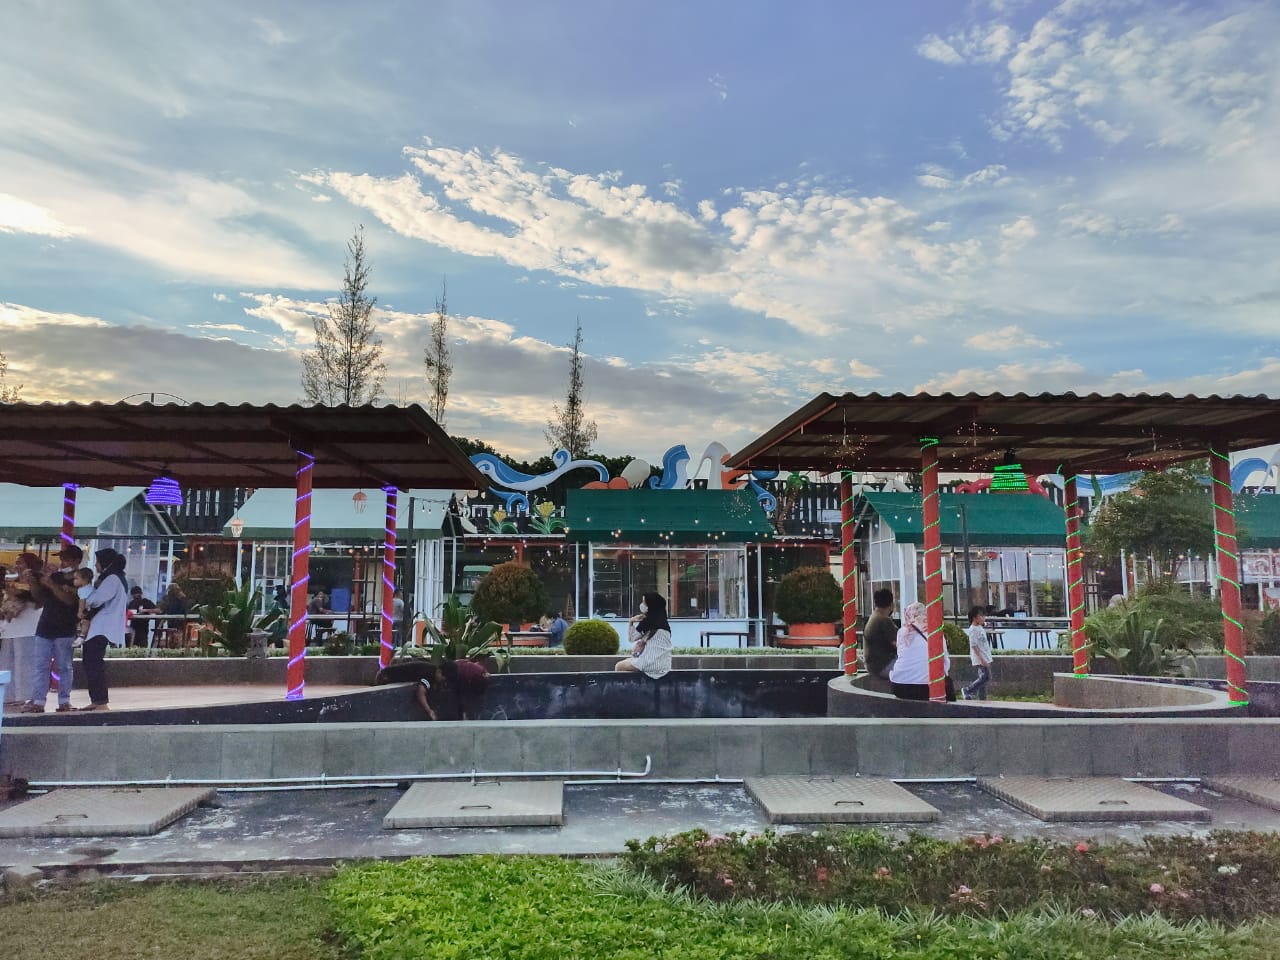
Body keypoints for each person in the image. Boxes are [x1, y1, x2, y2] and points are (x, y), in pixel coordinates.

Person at [23, 543, 83, 714]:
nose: (62, 562)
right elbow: (39, 598)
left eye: (66, 559)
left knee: (64, 666)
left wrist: (50, 584)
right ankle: (38, 700)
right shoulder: (55, 577)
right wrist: (34, 583)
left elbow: (70, 600)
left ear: (77, 561)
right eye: (62, 559)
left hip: (65, 628)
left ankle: (64, 701)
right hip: (45, 627)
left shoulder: (80, 579)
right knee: (40, 665)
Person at [79, 548, 129, 711]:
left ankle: (100, 700)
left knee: (93, 662)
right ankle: (98, 699)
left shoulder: (112, 579)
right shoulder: (116, 578)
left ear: (105, 563)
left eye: (98, 562)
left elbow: (96, 600)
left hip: (102, 627)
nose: (96, 565)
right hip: (103, 626)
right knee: (93, 662)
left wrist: (88, 596)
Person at [888, 601, 955, 702]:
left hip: (899, 685)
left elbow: (901, 654)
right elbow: (945, 663)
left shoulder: (902, 633)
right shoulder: (935, 632)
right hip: (927, 687)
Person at [0, 553, 44, 708]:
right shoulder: (14, 581)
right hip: (10, 625)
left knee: (23, 661)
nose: (18, 565)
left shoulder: (36, 579)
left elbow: (38, 599)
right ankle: (8, 694)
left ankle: (24, 694)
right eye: (17, 563)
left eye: (21, 563)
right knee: (6, 661)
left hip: (28, 625)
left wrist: (30, 583)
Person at [615, 592, 673, 679]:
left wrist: (631, 622)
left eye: (644, 603)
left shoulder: (647, 622)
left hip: (648, 663)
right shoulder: (665, 625)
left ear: (651, 605)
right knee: (629, 661)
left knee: (619, 666)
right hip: (664, 665)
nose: (642, 605)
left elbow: (632, 638)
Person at [415, 659, 490, 720]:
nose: (444, 681)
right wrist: (429, 711)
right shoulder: (429, 674)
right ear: (439, 672)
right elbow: (420, 692)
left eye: (445, 680)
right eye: (444, 680)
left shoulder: (464, 671)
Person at [862, 589, 898, 679]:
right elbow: (898, 644)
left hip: (872, 665)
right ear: (891, 604)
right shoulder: (883, 620)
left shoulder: (874, 616)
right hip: (882, 665)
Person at [960, 605, 994, 701]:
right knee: (986, 677)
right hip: (980, 658)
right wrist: (982, 659)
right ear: (975, 618)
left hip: (985, 656)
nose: (984, 618)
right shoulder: (973, 630)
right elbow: (974, 646)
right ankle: (968, 690)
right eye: (981, 616)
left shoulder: (979, 628)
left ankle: (982, 698)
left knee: (983, 678)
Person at [73, 567, 95, 642]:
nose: (74, 581)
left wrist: (80, 611)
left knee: (85, 621)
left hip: (89, 608)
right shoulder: (89, 588)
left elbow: (82, 601)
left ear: (84, 579)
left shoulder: (83, 590)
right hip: (91, 608)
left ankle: (82, 635)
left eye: (76, 579)